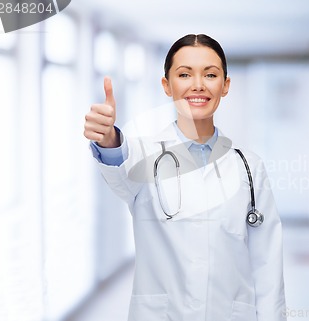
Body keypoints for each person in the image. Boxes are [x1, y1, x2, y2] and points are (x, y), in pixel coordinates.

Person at [84, 34, 286, 321]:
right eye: (184, 74)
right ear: (167, 85)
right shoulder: (144, 156)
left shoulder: (249, 167)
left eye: (211, 74)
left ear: (225, 85)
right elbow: (119, 164)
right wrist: (108, 138)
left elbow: (267, 265)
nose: (198, 85)